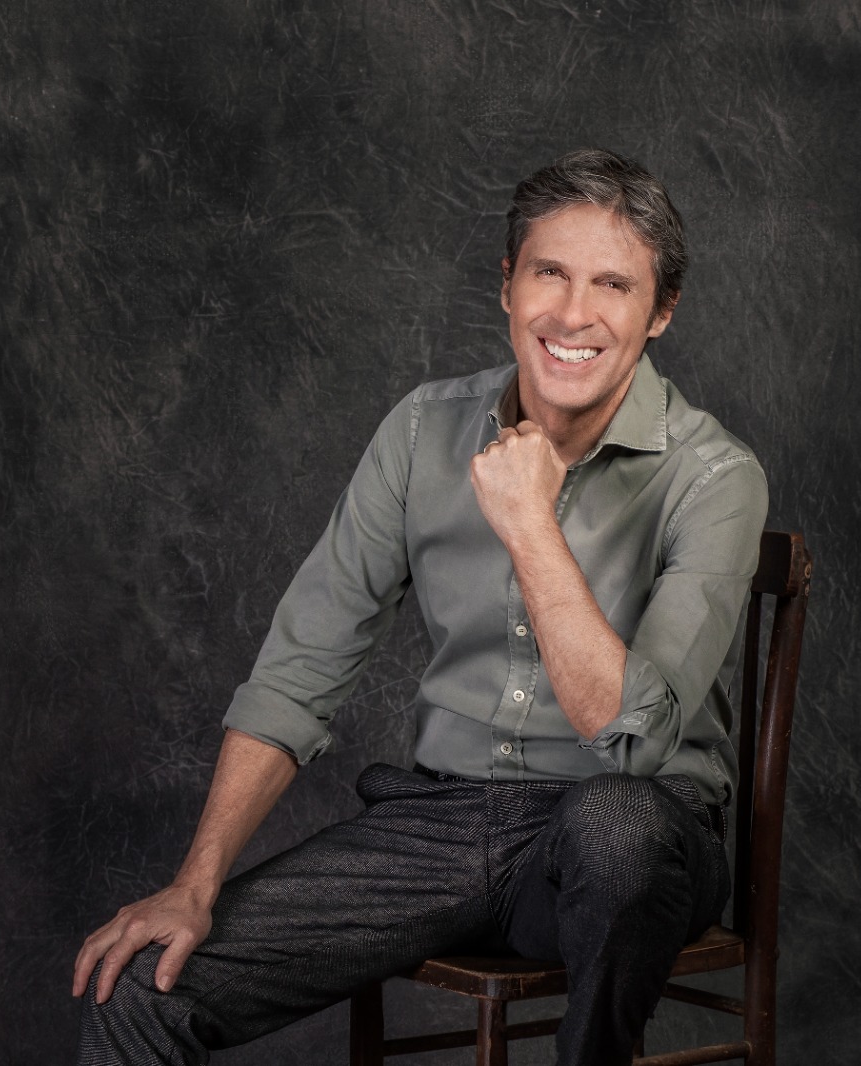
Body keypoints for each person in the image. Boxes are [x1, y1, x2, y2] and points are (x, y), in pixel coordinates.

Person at [71, 148, 768, 1066]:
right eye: (549, 273)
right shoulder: (419, 432)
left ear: (661, 311)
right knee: (140, 989)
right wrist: (193, 884)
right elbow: (299, 672)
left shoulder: (716, 477)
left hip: (638, 840)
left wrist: (530, 524)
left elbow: (631, 738)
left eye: (614, 285)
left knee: (614, 825)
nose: (572, 314)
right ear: (506, 286)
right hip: (440, 828)